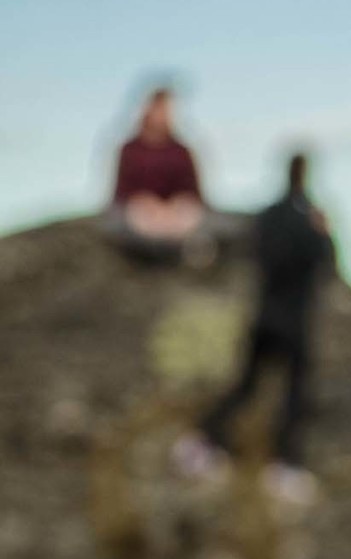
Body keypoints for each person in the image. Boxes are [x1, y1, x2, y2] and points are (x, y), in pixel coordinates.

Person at [174, 148, 334, 503]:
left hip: (263, 316)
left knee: (246, 386)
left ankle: (202, 440)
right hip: (293, 321)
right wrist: (324, 234)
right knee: (293, 395)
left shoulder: (266, 217)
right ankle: (285, 466)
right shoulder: (310, 221)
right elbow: (327, 265)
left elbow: (249, 251)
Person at [103, 84, 212, 261]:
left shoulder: (180, 150)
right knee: (141, 216)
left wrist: (176, 203)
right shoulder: (130, 150)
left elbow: (192, 190)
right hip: (140, 210)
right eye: (161, 109)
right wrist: (145, 202)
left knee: (186, 214)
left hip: (175, 213)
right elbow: (122, 190)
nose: (165, 115)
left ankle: (178, 250)